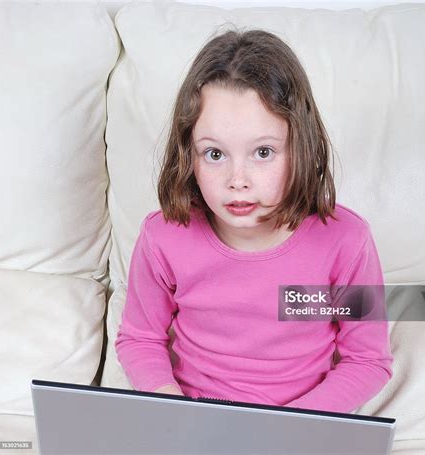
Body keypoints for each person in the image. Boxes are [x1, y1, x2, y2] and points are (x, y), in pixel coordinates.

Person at [115, 28, 393, 414]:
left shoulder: (347, 241)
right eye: (214, 154)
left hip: (301, 426)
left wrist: (295, 425)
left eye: (263, 152)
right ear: (188, 155)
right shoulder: (162, 236)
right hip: (194, 423)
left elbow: (367, 361)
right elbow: (140, 340)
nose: (237, 179)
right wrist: (170, 408)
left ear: (300, 144)